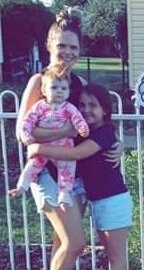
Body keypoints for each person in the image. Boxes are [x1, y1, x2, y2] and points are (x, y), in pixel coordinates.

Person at [15, 10, 121, 270]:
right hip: (45, 173)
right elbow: (24, 132)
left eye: (73, 47)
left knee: (61, 242)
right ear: (50, 44)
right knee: (75, 242)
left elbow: (96, 121)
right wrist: (60, 136)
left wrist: (113, 144)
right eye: (62, 46)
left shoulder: (79, 84)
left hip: (73, 174)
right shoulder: (40, 82)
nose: (68, 52)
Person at [28, 83, 133, 270]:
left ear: (105, 110)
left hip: (113, 200)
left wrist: (38, 148)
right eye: (82, 105)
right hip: (101, 201)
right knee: (112, 253)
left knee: (116, 255)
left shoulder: (104, 133)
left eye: (93, 106)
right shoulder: (86, 132)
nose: (86, 110)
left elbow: (76, 155)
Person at [9, 66, 89, 209]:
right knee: (33, 165)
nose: (59, 91)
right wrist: (26, 135)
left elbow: (78, 119)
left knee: (67, 169)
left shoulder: (69, 107)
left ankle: (64, 195)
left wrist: (82, 128)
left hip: (64, 147)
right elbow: (27, 122)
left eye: (63, 89)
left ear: (68, 92)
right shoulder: (39, 107)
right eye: (54, 88)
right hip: (44, 148)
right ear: (44, 91)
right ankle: (22, 186)